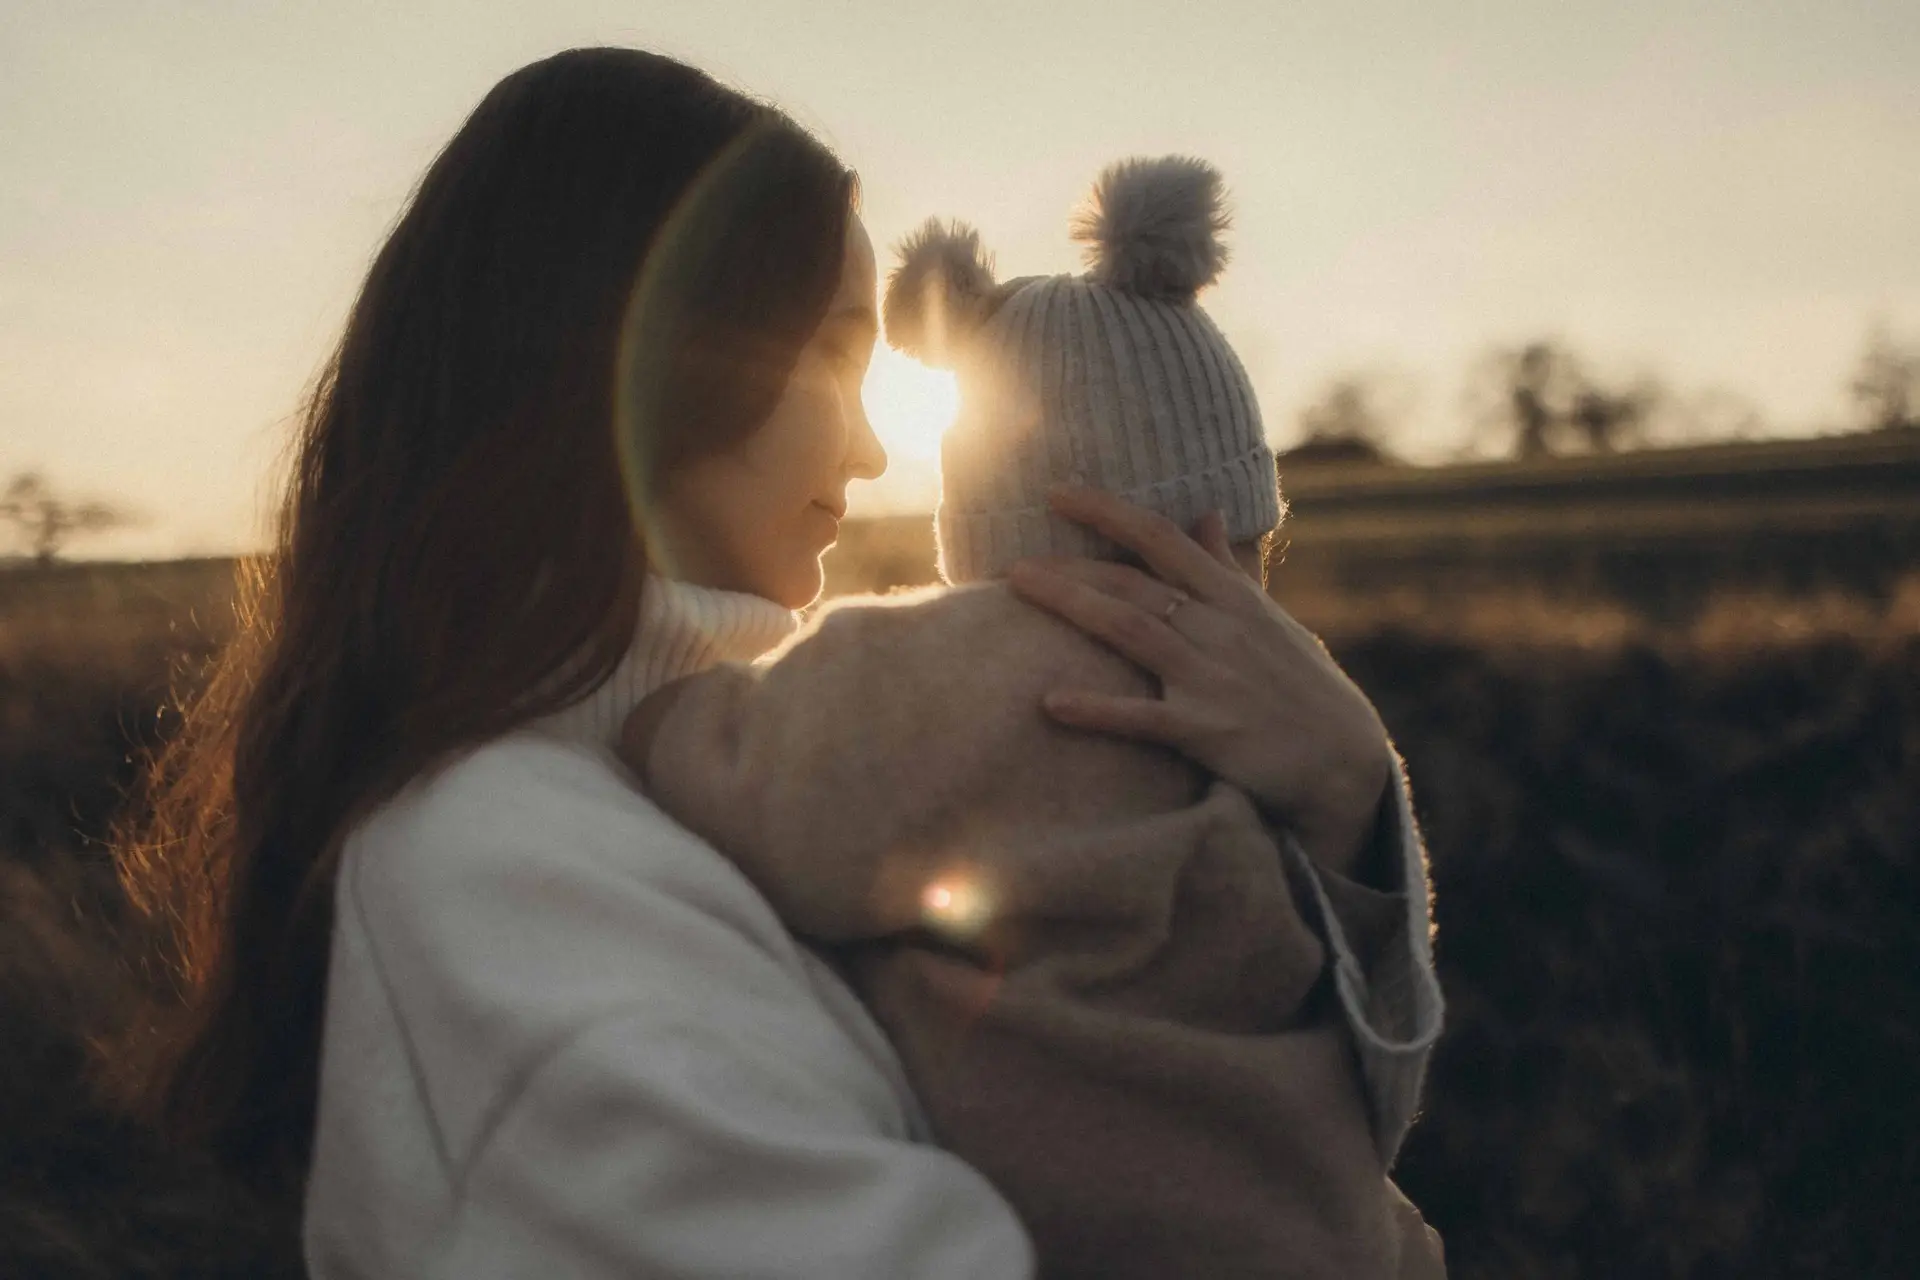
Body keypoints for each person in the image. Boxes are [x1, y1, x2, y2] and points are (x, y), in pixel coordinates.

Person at [109, 48, 1426, 1278]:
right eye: (839, 354)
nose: (869, 453)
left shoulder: (692, 801)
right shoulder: (497, 870)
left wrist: (1348, 799)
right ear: (648, 357)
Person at [623, 158, 1445, 1278]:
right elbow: (1374, 1050)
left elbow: (753, 781)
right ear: (1216, 531)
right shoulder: (1256, 714)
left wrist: (663, 714)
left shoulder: (920, 673)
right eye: (1249, 546)